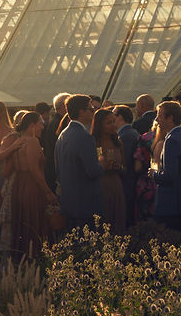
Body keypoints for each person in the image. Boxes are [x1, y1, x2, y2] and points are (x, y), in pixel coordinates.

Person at [7, 112, 56, 257]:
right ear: (32, 126)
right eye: (40, 123)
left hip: (18, 185)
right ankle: (34, 259)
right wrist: (48, 191)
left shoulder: (18, 140)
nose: (43, 127)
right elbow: (34, 169)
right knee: (33, 222)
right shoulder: (32, 141)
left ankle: (20, 260)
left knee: (21, 222)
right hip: (31, 185)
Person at [55, 94, 104, 229]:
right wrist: (102, 164)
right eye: (91, 109)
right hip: (85, 202)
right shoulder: (85, 136)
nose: (93, 112)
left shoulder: (63, 135)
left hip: (68, 201)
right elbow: (92, 171)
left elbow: (58, 170)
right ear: (81, 112)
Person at [150, 101, 181, 231]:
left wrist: (154, 174)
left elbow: (170, 175)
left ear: (170, 118)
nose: (156, 119)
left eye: (159, 115)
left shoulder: (171, 140)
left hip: (171, 203)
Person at [91, 108, 127, 231]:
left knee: (117, 220)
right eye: (109, 123)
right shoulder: (93, 142)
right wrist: (103, 166)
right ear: (99, 124)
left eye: (114, 121)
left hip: (115, 184)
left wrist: (119, 167)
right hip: (100, 185)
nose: (113, 125)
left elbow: (125, 167)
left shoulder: (118, 142)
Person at [112, 105, 140, 226]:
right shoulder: (129, 133)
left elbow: (125, 162)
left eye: (113, 115)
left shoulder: (126, 136)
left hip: (127, 184)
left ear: (120, 117)